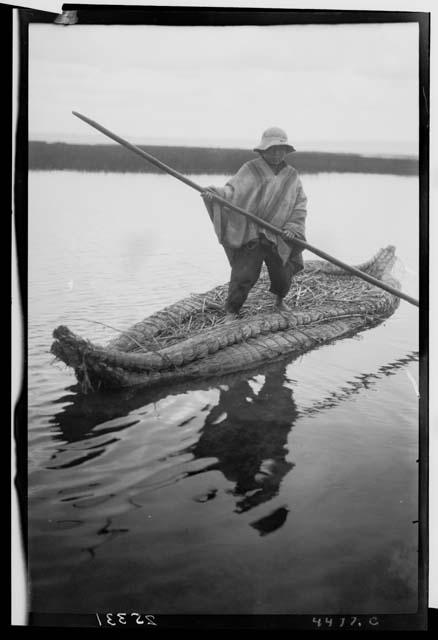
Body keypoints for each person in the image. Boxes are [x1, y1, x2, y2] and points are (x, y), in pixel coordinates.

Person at [202, 127, 307, 321]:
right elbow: (232, 191)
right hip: (253, 232)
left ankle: (279, 301)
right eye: (272, 149)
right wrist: (215, 194)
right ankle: (232, 311)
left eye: (280, 150)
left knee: (283, 274)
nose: (276, 154)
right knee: (244, 273)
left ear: (286, 151)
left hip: (279, 235)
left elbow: (299, 205)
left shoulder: (292, 175)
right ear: (263, 150)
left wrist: (292, 228)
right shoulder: (251, 169)